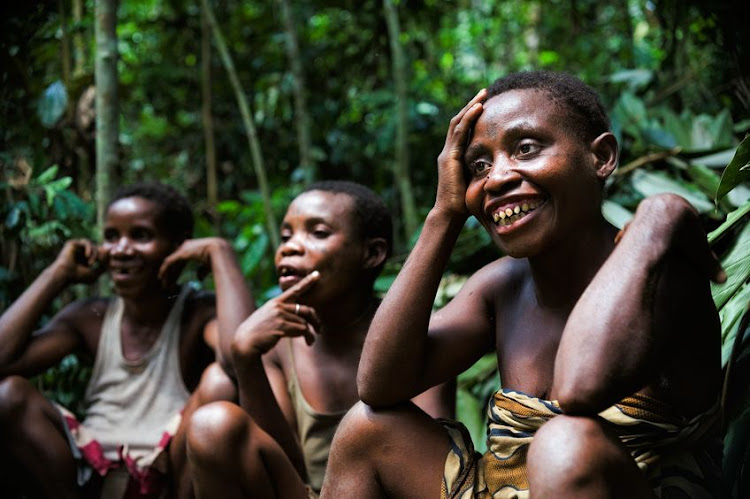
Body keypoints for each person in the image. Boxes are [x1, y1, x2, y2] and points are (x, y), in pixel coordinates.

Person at [320, 71, 725, 498]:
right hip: (506, 489)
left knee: (564, 444)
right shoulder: (501, 287)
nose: (496, 178)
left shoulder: (659, 271)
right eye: (479, 166)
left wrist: (657, 217)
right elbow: (379, 385)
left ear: (601, 157)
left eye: (526, 148)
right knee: (366, 428)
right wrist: (444, 214)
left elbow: (578, 390)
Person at [185, 180, 455, 497]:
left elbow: (437, 475)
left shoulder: (415, 337)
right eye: (286, 236)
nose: (290, 246)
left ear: (372, 253)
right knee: (212, 424)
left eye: (318, 233)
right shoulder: (278, 344)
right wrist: (246, 356)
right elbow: (284, 472)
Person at [0, 181, 252, 498]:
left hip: (169, 473)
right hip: (88, 473)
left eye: (141, 235)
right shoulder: (90, 317)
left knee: (219, 383)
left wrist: (221, 253)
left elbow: (239, 358)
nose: (121, 249)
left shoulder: (197, 313)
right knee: (7, 395)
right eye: (111, 237)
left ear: (179, 247)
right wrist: (58, 273)